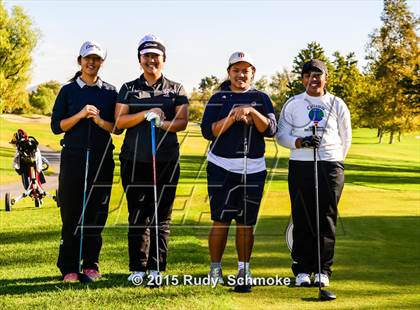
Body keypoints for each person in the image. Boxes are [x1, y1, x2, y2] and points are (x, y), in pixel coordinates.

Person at [115, 34, 189, 286]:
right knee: (138, 214)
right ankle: (138, 266)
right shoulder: (128, 88)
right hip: (134, 159)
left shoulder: (176, 88)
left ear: (164, 59)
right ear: (139, 59)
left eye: (155, 56)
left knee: (162, 215)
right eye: (146, 56)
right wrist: (146, 113)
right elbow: (119, 122)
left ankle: (157, 268)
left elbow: (182, 122)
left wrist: (162, 123)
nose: (151, 60)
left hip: (166, 159)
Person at [200, 51, 277, 291]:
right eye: (236, 70)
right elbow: (208, 132)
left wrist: (252, 112)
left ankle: (244, 269)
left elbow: (271, 129)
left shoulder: (261, 98)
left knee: (246, 223)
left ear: (253, 73)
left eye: (246, 70)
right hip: (221, 166)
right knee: (220, 220)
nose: (241, 74)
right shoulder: (218, 98)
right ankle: (215, 269)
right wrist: (233, 117)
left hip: (253, 168)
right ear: (229, 72)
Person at [276, 59, 352, 287]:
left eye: (318, 75)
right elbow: (280, 136)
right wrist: (300, 142)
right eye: (308, 75)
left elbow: (345, 138)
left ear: (325, 78)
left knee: (326, 217)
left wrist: (334, 159)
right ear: (303, 79)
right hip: (301, 165)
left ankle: (322, 270)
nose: (313, 79)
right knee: (302, 217)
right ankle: (302, 270)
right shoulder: (293, 103)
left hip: (330, 165)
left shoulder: (337, 103)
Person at [51, 41, 120, 282]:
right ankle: (69, 267)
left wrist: (100, 121)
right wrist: (80, 115)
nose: (92, 62)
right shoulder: (68, 91)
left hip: (102, 158)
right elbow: (56, 127)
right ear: (79, 60)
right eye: (88, 58)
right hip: (74, 157)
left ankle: (91, 264)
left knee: (96, 212)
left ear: (102, 62)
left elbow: (118, 128)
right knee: (71, 212)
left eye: (97, 59)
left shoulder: (110, 92)